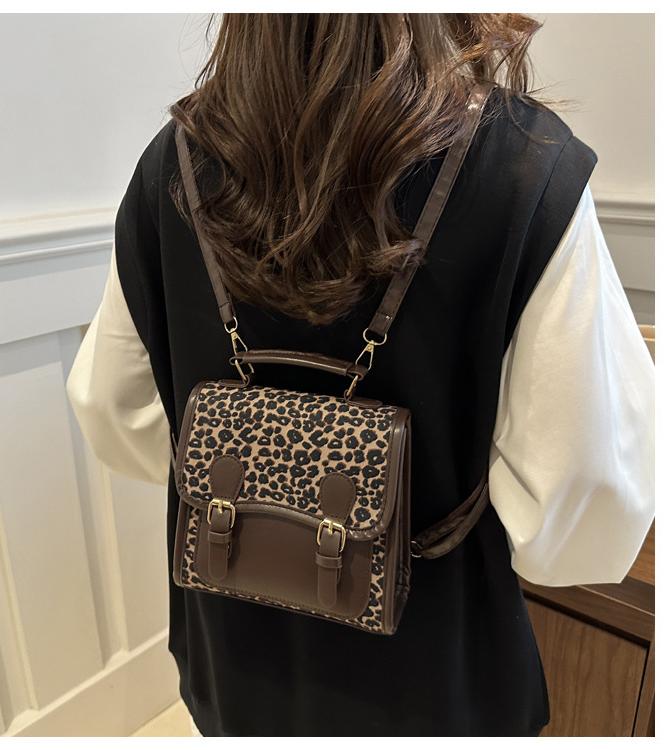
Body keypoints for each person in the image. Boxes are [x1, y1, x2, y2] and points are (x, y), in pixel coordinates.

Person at [66, 13, 655, 737]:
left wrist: (259, 476)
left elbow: (112, 410)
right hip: (433, 688)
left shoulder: (173, 160)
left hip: (235, 667)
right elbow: (586, 505)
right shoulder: (522, 160)